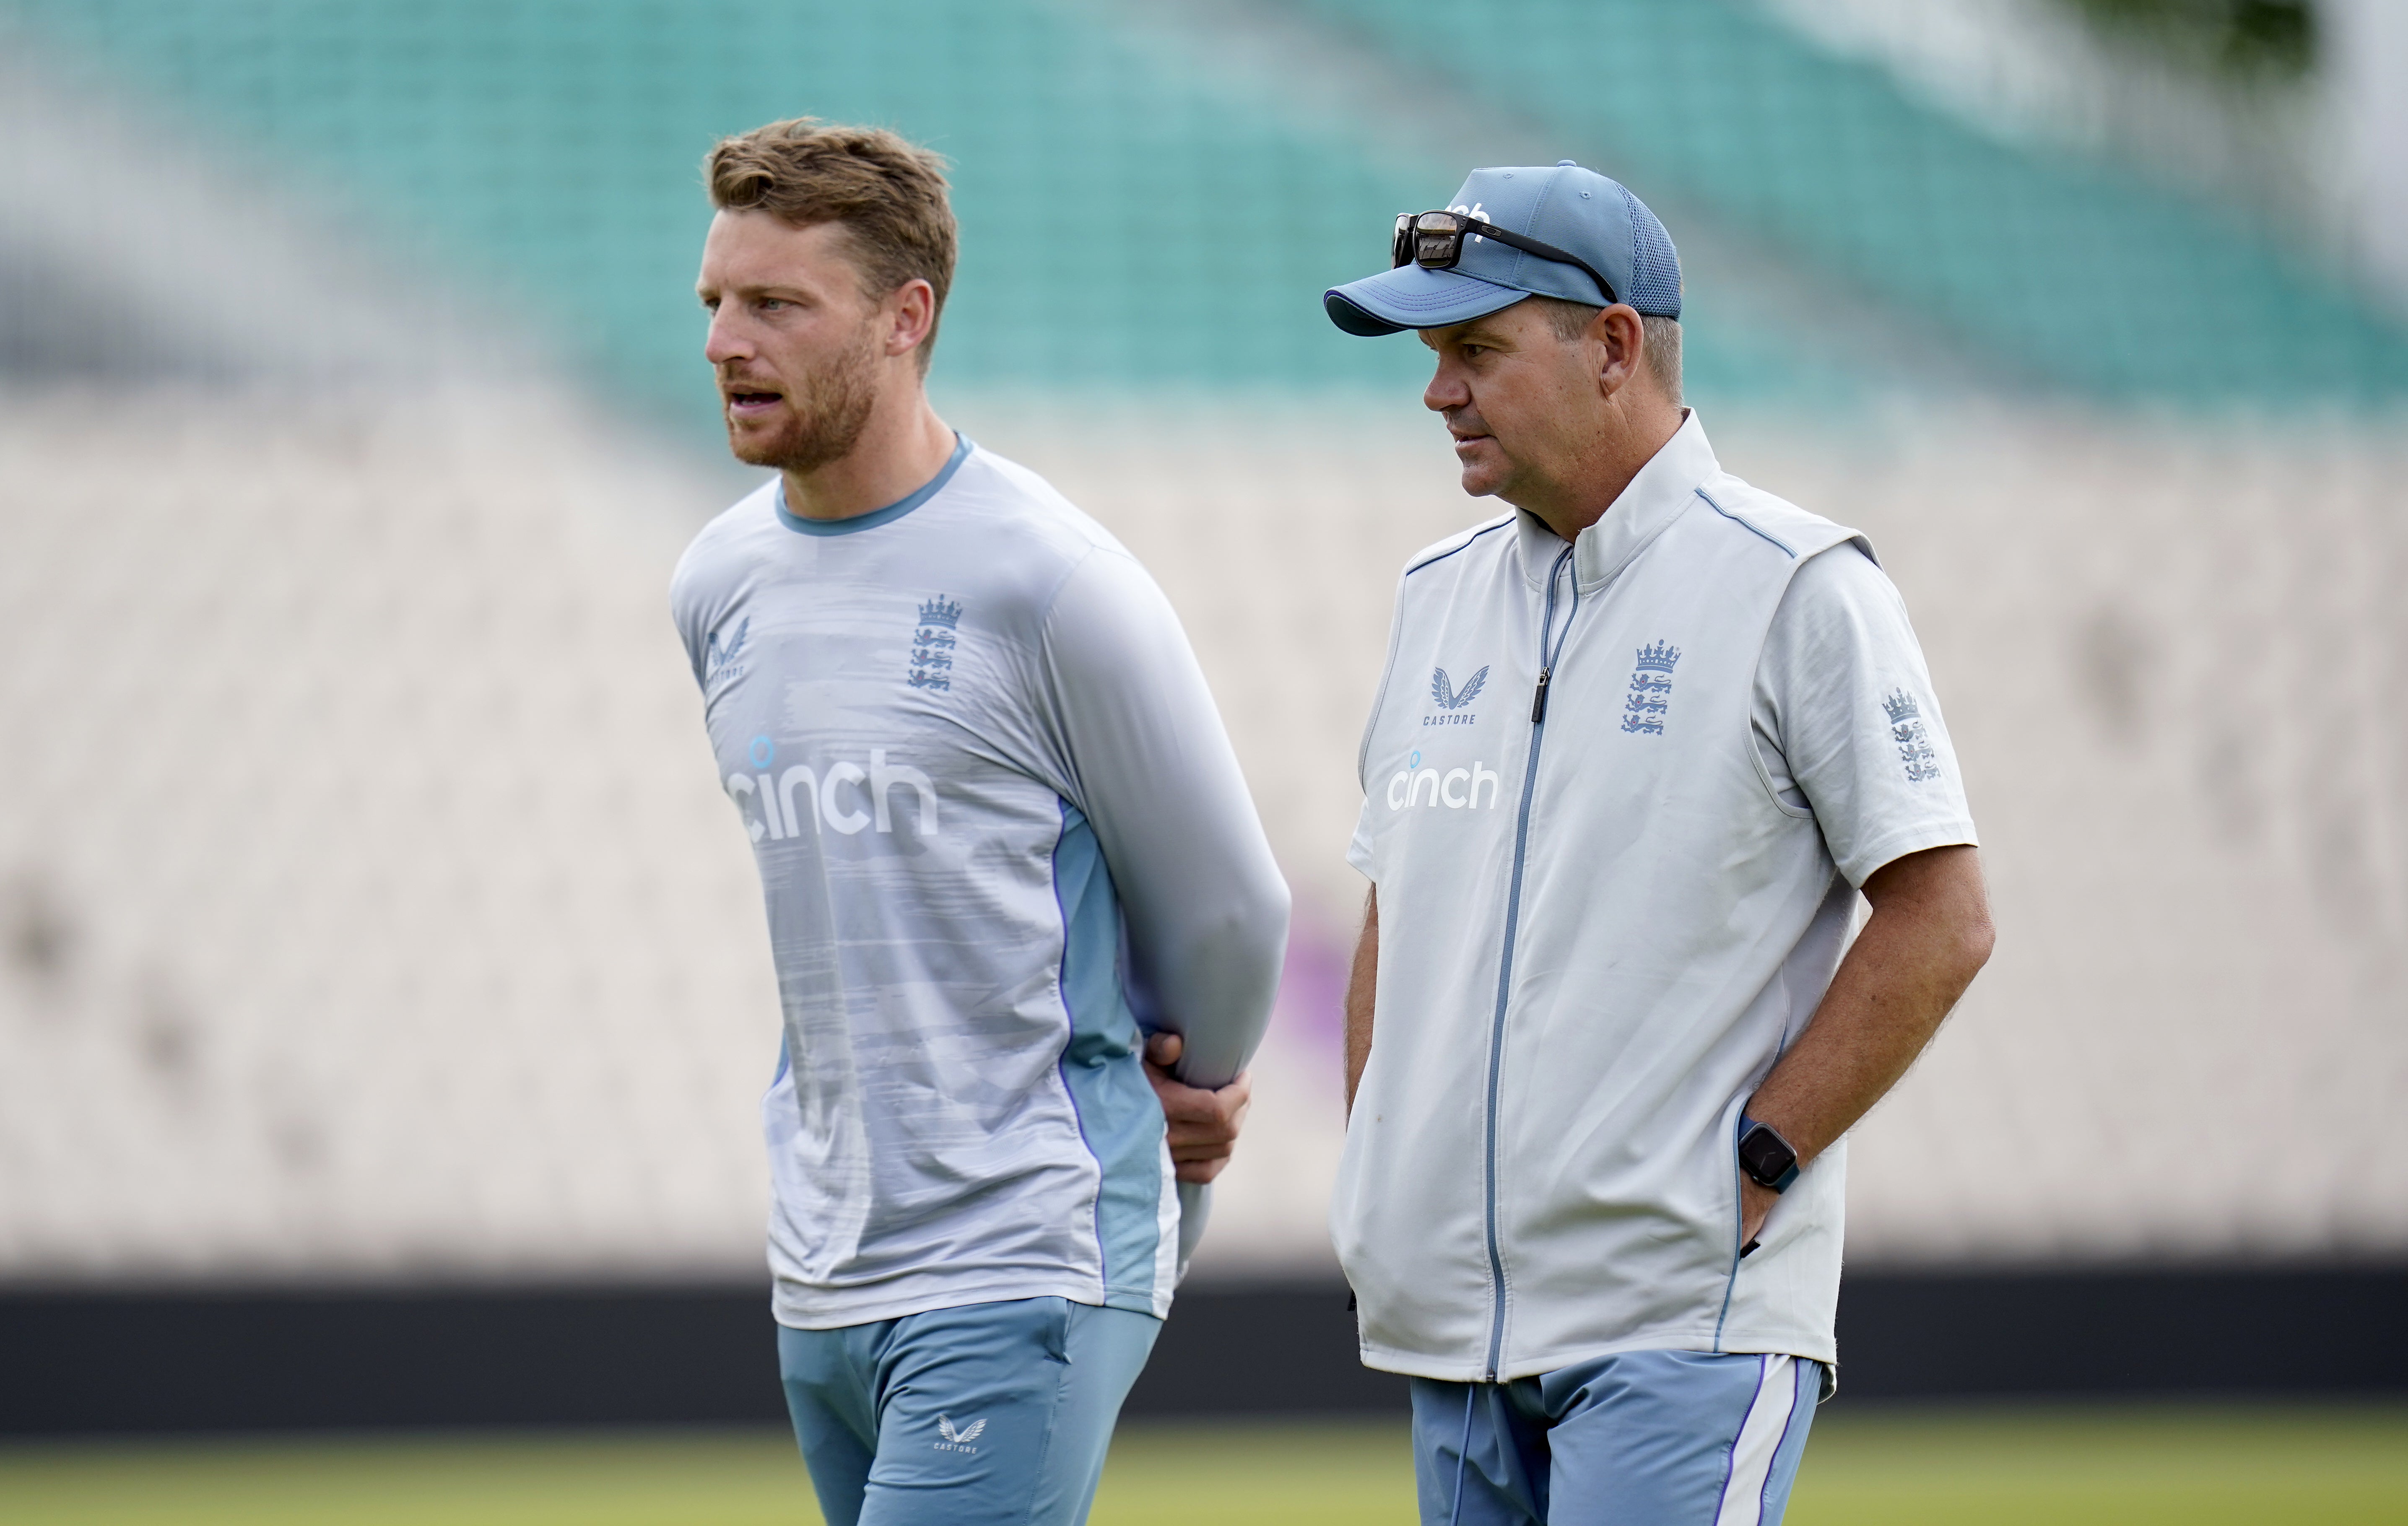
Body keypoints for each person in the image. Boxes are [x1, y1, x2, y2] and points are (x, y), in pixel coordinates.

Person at [1322, 164, 1994, 1526]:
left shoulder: (1799, 585)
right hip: (1454, 1335)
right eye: (1432, 355)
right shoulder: (1433, 600)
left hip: (1680, 1322)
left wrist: (1757, 1169)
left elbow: (1945, 917)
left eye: (1474, 350)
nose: (1437, 390)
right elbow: (1397, 909)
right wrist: (1378, 1178)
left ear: (1613, 346)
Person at [670, 118, 1288, 1526]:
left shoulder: (1051, 583)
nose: (723, 341)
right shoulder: (716, 584)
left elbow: (1236, 908)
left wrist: (1190, 1091)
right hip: (824, 1268)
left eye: (775, 305)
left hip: (1021, 1247)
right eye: (714, 301)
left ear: (906, 318)